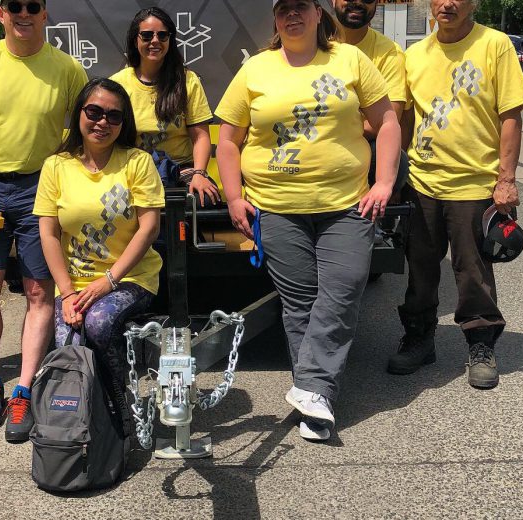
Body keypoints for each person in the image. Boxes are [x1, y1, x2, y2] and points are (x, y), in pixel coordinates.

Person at [215, 0, 400, 441]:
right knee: (300, 302)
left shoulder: (350, 59)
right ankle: (317, 403)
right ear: (277, 19)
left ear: (319, 14)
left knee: (344, 287)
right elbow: (227, 140)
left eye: (301, 7)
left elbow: (387, 122)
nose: (292, 15)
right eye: (284, 10)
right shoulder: (255, 70)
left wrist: (385, 183)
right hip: (277, 206)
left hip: (346, 204)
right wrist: (234, 197)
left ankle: (311, 386)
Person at [0, 0, 88, 442]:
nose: (24, 13)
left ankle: (24, 388)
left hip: (40, 188)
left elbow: (82, 130)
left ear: (45, 13)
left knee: (37, 289)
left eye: (33, 6)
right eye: (16, 6)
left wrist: (62, 180)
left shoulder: (67, 69)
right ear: (1, 13)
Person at [389, 0, 523, 389]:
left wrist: (506, 179)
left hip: (474, 183)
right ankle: (419, 338)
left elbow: (511, 116)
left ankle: (481, 343)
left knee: (472, 271)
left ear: (474, 3)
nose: (447, 3)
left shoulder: (495, 44)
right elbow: (403, 119)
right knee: (420, 268)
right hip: (421, 182)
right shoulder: (414, 54)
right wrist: (393, 175)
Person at [34, 77, 164, 439]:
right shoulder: (56, 166)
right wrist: (67, 292)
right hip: (74, 283)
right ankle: (74, 420)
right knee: (64, 342)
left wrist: (108, 281)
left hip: (130, 278)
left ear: (124, 124)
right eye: (94, 112)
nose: (102, 122)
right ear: (79, 114)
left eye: (114, 116)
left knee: (99, 324)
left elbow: (148, 228)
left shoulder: (136, 162)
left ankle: (119, 404)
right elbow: (48, 234)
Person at [110, 7, 219, 206]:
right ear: (136, 40)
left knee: (205, 199)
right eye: (146, 35)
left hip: (181, 169)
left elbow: (201, 136)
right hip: (135, 168)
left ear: (170, 40)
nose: (155, 41)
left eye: (162, 35)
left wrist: (199, 174)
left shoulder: (187, 80)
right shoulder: (118, 84)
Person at [333, 0, 409, 193]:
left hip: (360, 148)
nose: (357, 2)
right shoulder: (311, 42)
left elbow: (388, 119)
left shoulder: (389, 52)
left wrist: (330, 131)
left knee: (395, 158)